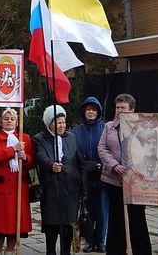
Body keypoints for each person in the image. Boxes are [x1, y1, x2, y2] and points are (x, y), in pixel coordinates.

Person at [98, 93, 152, 255]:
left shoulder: (143, 127)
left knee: (137, 218)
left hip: (136, 183)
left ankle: (141, 250)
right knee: (116, 218)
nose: (119, 110)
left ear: (132, 110)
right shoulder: (108, 127)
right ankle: (116, 250)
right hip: (114, 181)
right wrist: (114, 165)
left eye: (123, 107)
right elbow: (102, 149)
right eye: (117, 107)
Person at [34, 105, 87, 255]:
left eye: (63, 122)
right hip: (52, 192)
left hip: (71, 192)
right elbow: (41, 157)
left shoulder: (71, 138)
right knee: (51, 230)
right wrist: (51, 165)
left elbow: (81, 163)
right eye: (58, 122)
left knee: (67, 230)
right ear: (49, 123)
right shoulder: (39, 139)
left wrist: (84, 189)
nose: (62, 125)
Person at [0, 107, 35, 254]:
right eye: (6, 119)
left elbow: (31, 162)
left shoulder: (24, 138)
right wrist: (13, 149)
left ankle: (10, 251)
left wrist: (25, 157)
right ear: (0, 121)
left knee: (15, 224)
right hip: (0, 188)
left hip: (19, 187)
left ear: (17, 122)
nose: (9, 121)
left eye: (12, 119)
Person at [72, 97, 108, 253]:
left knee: (101, 211)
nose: (91, 112)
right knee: (87, 211)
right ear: (84, 111)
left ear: (98, 111)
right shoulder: (77, 131)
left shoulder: (105, 129)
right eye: (88, 109)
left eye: (93, 109)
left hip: (102, 177)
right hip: (84, 178)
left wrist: (101, 165)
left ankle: (100, 241)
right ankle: (89, 240)